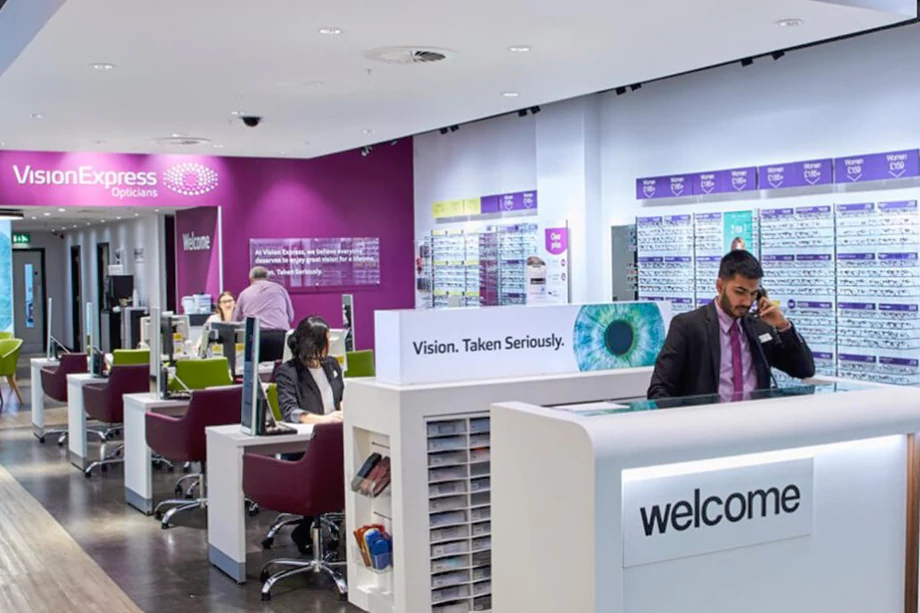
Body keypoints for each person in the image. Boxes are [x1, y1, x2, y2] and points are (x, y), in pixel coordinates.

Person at [647, 250, 815, 400]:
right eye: (740, 292)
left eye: (753, 293)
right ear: (720, 286)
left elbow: (804, 370)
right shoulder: (688, 326)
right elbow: (659, 389)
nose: (747, 301)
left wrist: (783, 326)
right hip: (707, 426)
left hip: (756, 425)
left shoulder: (760, 328)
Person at [274, 315, 345, 554]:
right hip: (306, 444)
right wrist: (324, 420)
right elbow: (290, 412)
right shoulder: (288, 372)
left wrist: (345, 410)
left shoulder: (332, 365)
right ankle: (305, 526)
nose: (330, 343)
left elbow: (341, 397)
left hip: (336, 435)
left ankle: (331, 518)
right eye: (326, 339)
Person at [232, 266, 294, 362]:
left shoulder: (244, 293)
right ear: (267, 277)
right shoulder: (280, 289)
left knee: (255, 372)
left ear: (251, 279)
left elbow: (236, 321)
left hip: (255, 337)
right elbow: (290, 316)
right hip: (280, 337)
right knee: (280, 369)